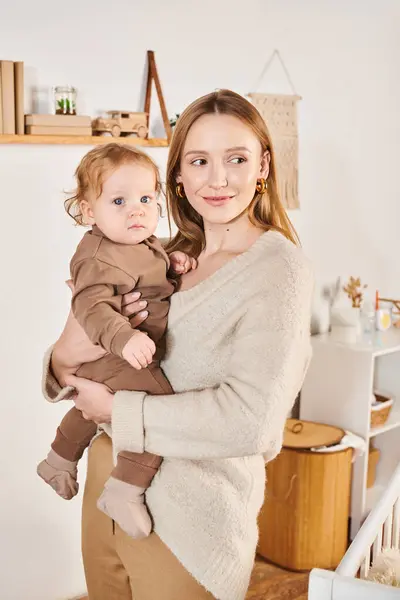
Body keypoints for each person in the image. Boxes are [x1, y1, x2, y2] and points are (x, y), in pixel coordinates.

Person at [42, 89, 314, 600]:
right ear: (178, 176)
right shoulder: (164, 254)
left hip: (190, 522)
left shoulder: (278, 270)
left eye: (236, 158)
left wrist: (118, 411)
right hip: (105, 480)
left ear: (263, 166)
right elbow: (82, 353)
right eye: (199, 161)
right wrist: (64, 352)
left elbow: (250, 420)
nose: (217, 179)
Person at [37, 143, 195, 539]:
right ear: (90, 212)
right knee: (154, 410)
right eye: (119, 200)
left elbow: (150, 275)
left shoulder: (140, 241)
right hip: (115, 352)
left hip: (115, 356)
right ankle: (125, 489)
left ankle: (58, 459)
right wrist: (123, 338)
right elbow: (90, 307)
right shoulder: (97, 257)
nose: (137, 210)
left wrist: (174, 265)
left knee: (92, 408)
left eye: (145, 198)